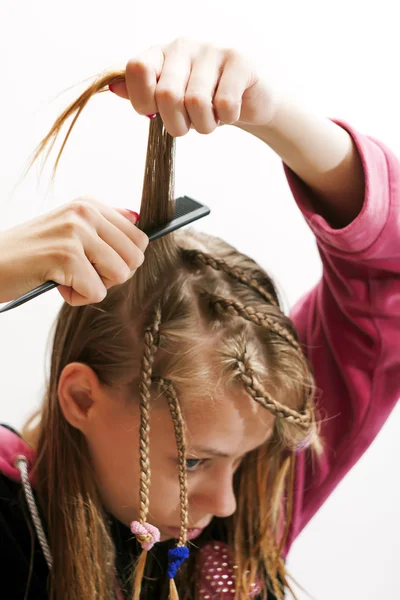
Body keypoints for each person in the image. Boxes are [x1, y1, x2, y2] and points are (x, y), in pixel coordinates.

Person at [0, 36, 398, 600]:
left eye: (245, 458)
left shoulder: (246, 516)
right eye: (191, 461)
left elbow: (388, 284)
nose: (226, 502)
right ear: (82, 398)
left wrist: (274, 115)